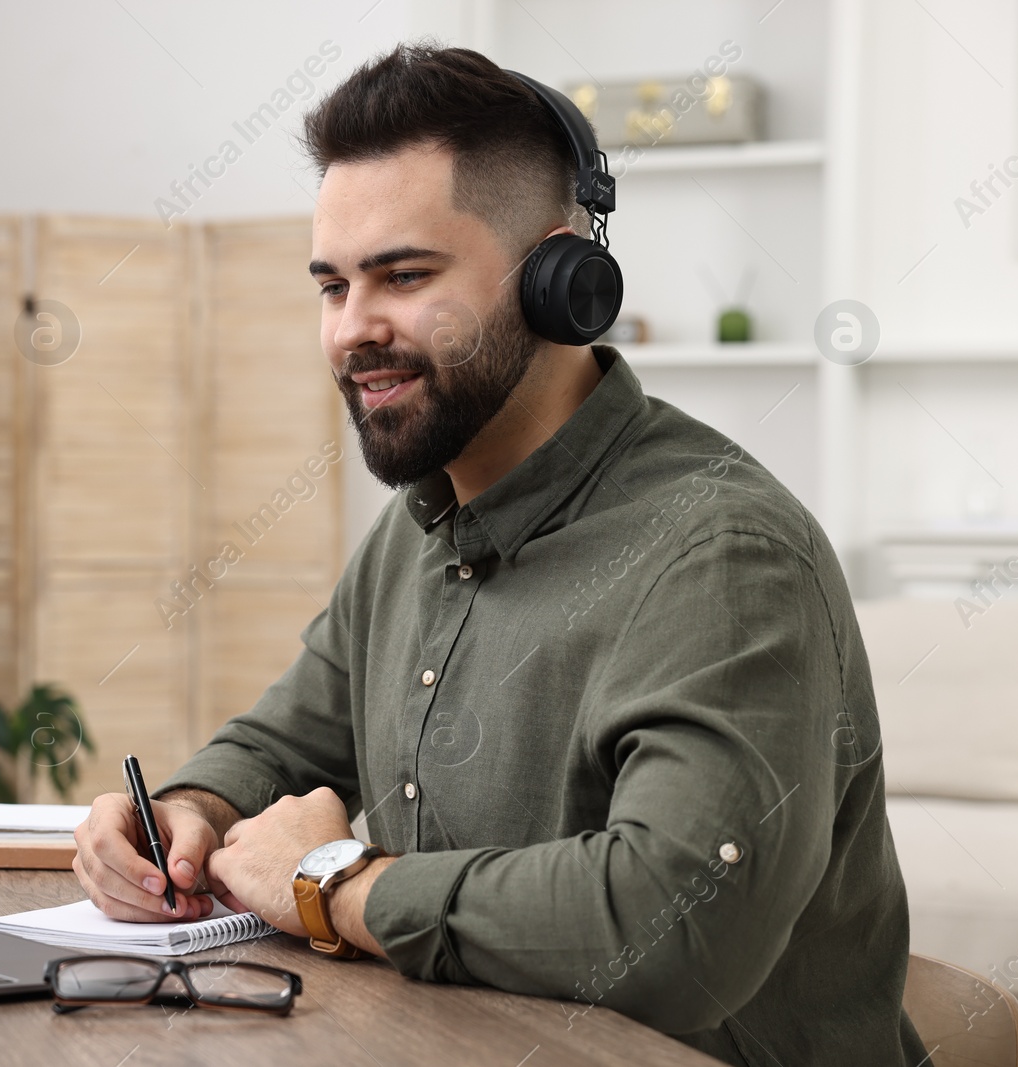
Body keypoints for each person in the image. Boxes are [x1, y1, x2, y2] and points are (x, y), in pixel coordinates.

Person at [72, 42, 925, 1065]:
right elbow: (288, 739)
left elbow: (676, 926)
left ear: (561, 278)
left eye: (402, 276)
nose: (351, 330)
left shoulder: (722, 557)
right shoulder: (418, 525)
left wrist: (337, 881)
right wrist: (184, 811)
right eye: (331, 286)